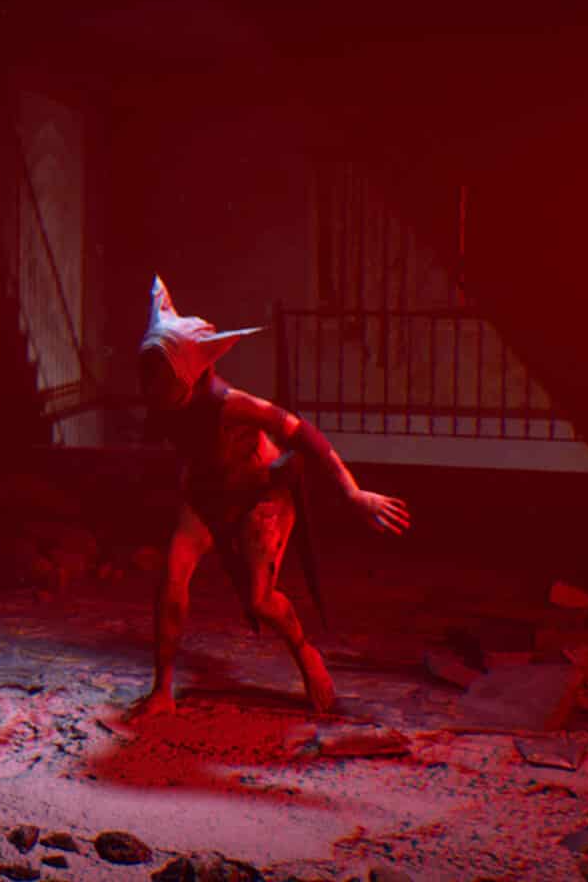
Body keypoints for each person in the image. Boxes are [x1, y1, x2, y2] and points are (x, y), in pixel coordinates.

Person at [129, 276, 407, 719]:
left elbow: (301, 433)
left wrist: (352, 492)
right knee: (172, 577)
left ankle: (305, 653)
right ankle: (162, 690)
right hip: (207, 495)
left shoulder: (230, 403)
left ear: (187, 375)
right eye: (150, 375)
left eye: (160, 377)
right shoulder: (164, 403)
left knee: (261, 599)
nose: (152, 387)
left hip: (261, 498)